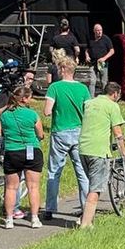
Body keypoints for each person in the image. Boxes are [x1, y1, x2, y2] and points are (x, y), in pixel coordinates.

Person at [43, 56, 92, 220]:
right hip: (79, 132)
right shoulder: (83, 89)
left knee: (54, 171)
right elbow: (88, 112)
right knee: (82, 172)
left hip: (60, 132)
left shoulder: (54, 87)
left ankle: (50, 208)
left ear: (63, 70)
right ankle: (86, 207)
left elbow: (47, 111)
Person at [78, 82, 125, 229]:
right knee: (96, 189)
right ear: (115, 94)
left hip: (83, 148)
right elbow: (118, 133)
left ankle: (86, 217)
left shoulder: (89, 103)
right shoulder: (112, 106)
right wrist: (124, 152)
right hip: (99, 150)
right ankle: (85, 224)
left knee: (91, 183)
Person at [0, 84, 45, 229]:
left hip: (12, 152)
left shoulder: (5, 115)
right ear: (25, 99)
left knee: (11, 187)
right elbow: (40, 134)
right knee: (33, 187)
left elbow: (3, 130)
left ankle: (8, 219)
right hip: (31, 149)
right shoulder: (32, 115)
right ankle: (35, 218)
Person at [86, 23, 114, 95]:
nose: (99, 32)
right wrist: (87, 56)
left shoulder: (106, 39)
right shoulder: (90, 39)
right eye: (98, 30)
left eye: (101, 30)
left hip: (102, 64)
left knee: (104, 82)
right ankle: (91, 98)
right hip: (92, 63)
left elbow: (112, 51)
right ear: (94, 31)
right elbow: (87, 50)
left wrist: (104, 58)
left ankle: (104, 97)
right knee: (92, 81)